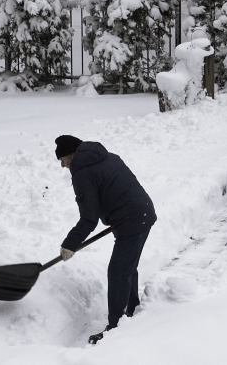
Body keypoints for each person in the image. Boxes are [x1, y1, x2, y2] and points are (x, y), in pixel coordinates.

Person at [54, 135, 157, 345]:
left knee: (118, 271)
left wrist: (70, 244)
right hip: (143, 211)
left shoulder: (82, 172)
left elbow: (88, 218)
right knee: (126, 266)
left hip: (131, 220)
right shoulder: (108, 157)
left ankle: (115, 328)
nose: (63, 166)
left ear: (72, 154)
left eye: (62, 160)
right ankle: (132, 308)